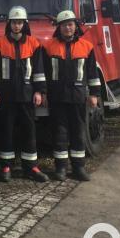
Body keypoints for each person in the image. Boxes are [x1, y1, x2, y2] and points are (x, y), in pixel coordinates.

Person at [0, 6, 49, 183]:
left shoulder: (34, 43)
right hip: (6, 97)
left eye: (20, 22)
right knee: (5, 131)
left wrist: (39, 91)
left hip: (27, 95)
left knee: (29, 131)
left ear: (24, 24)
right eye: (14, 22)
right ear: (9, 24)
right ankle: (6, 165)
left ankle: (31, 166)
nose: (17, 26)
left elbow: (38, 70)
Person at [42, 10, 101, 182]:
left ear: (75, 26)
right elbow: (42, 73)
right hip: (57, 97)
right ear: (59, 27)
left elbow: (92, 73)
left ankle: (78, 167)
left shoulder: (86, 47)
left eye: (70, 24)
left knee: (78, 132)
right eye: (64, 25)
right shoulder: (48, 46)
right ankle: (60, 168)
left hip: (77, 96)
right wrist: (44, 92)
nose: (67, 28)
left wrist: (95, 94)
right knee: (59, 133)